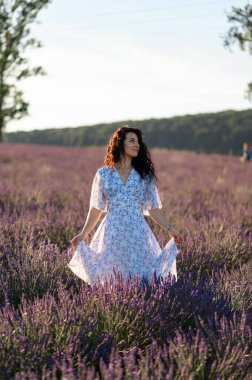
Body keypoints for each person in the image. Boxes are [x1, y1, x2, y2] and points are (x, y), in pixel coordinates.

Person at [67, 125, 183, 286]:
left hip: (137, 232)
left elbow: (153, 209)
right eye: (132, 140)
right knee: (110, 278)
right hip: (111, 232)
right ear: (120, 144)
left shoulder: (144, 175)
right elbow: (96, 209)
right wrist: (83, 234)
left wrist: (171, 229)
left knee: (141, 278)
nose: (137, 145)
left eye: (138, 142)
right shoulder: (104, 174)